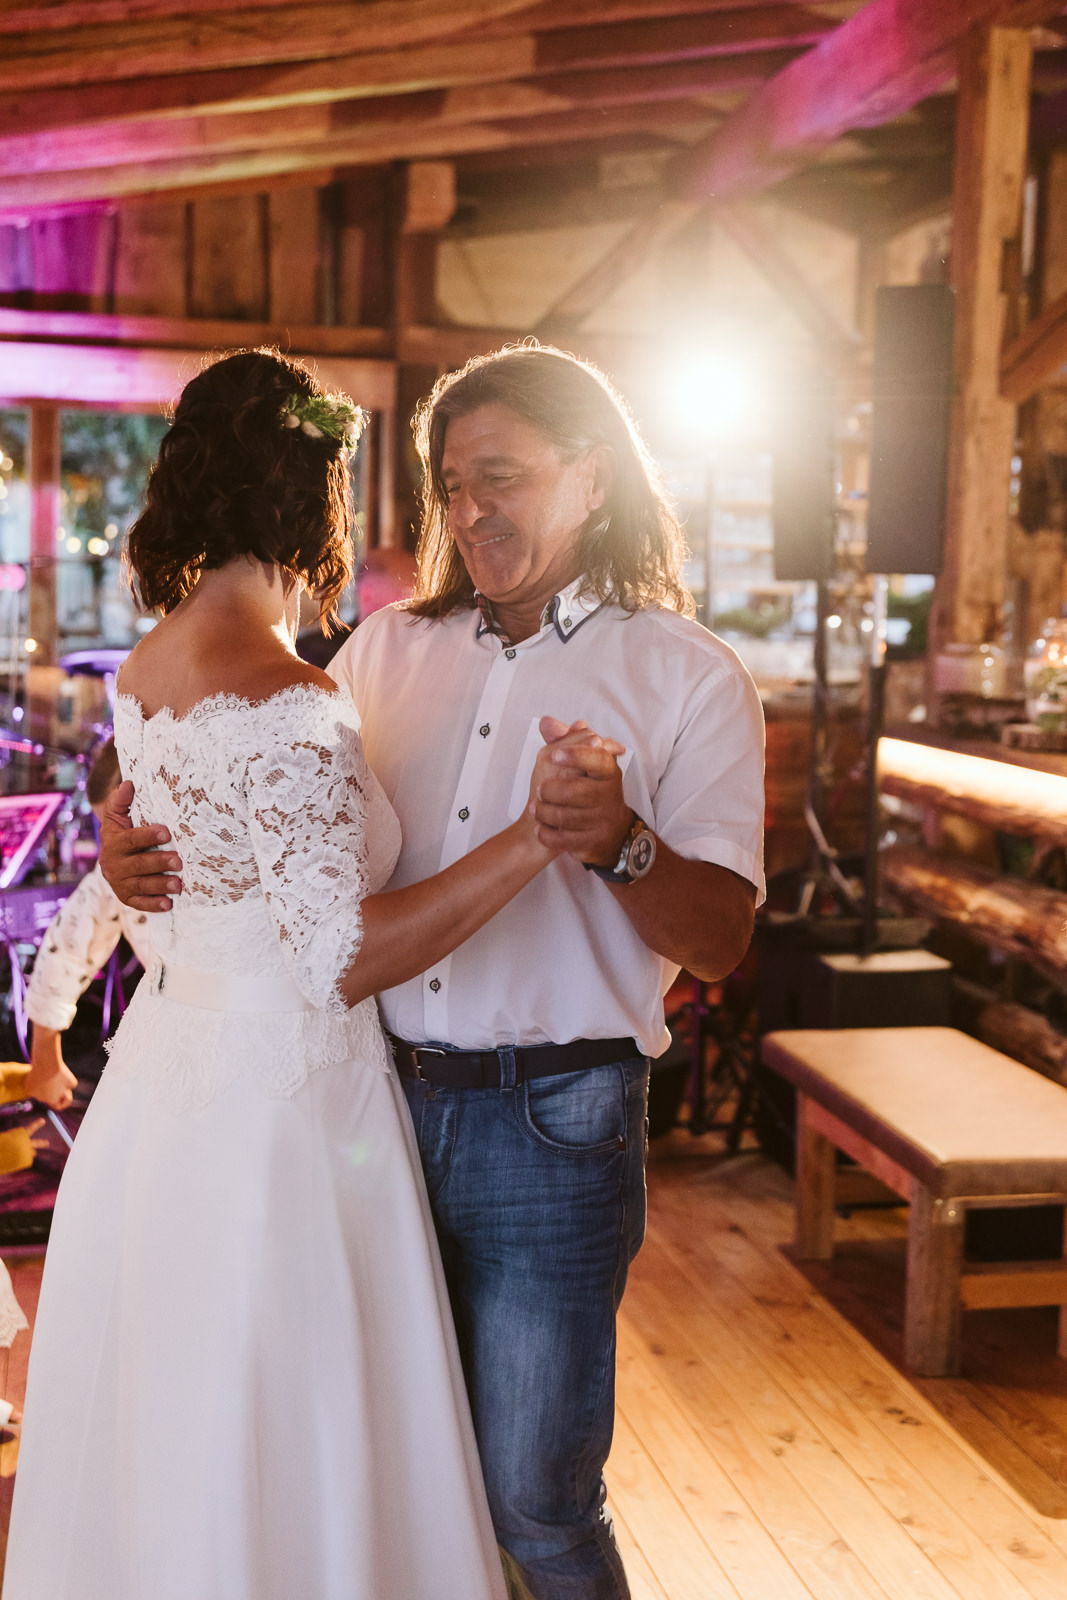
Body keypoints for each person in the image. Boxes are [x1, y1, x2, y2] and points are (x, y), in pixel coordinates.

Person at [101, 344, 766, 1600]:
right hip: (363, 1109)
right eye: (451, 484)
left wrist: (613, 842)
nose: (469, 513)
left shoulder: (686, 675)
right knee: (388, 1473)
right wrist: (121, 835)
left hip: (550, 1123)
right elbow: (232, 789)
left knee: (532, 1497)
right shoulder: (376, 657)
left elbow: (722, 937)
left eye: (501, 478)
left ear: (593, 475)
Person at [3, 348, 621, 1600]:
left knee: (186, 1426)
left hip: (164, 1097)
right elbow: (339, 955)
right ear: (314, 494)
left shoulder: (150, 665)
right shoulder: (289, 701)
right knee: (297, 1427)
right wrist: (533, 838)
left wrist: (55, 996)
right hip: (283, 1122)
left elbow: (161, 865)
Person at [23, 739, 155, 1113]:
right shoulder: (114, 870)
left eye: (123, 827)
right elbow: (69, 944)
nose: (111, 843)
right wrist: (45, 1052)